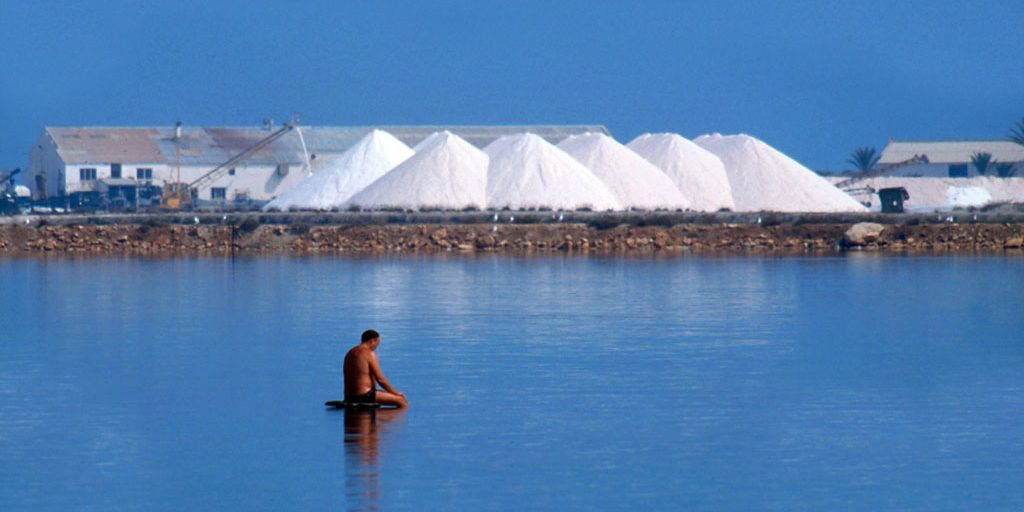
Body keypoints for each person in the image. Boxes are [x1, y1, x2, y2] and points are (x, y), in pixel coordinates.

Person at [344, 329, 409, 408]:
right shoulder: (369, 353)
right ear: (372, 341)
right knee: (401, 400)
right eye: (377, 344)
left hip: (348, 396)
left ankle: (383, 418)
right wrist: (395, 392)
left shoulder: (350, 352)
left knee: (386, 396)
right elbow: (381, 380)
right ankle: (402, 419)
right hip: (364, 395)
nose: (376, 347)